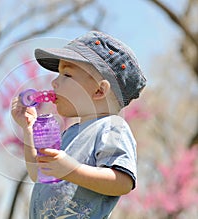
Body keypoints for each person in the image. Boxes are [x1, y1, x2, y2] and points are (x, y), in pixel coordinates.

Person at [11, 31, 146, 219]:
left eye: (66, 74)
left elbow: (122, 182)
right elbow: (39, 174)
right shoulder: (71, 133)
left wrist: (71, 170)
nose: (54, 81)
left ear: (99, 90)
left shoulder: (112, 127)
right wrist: (27, 130)